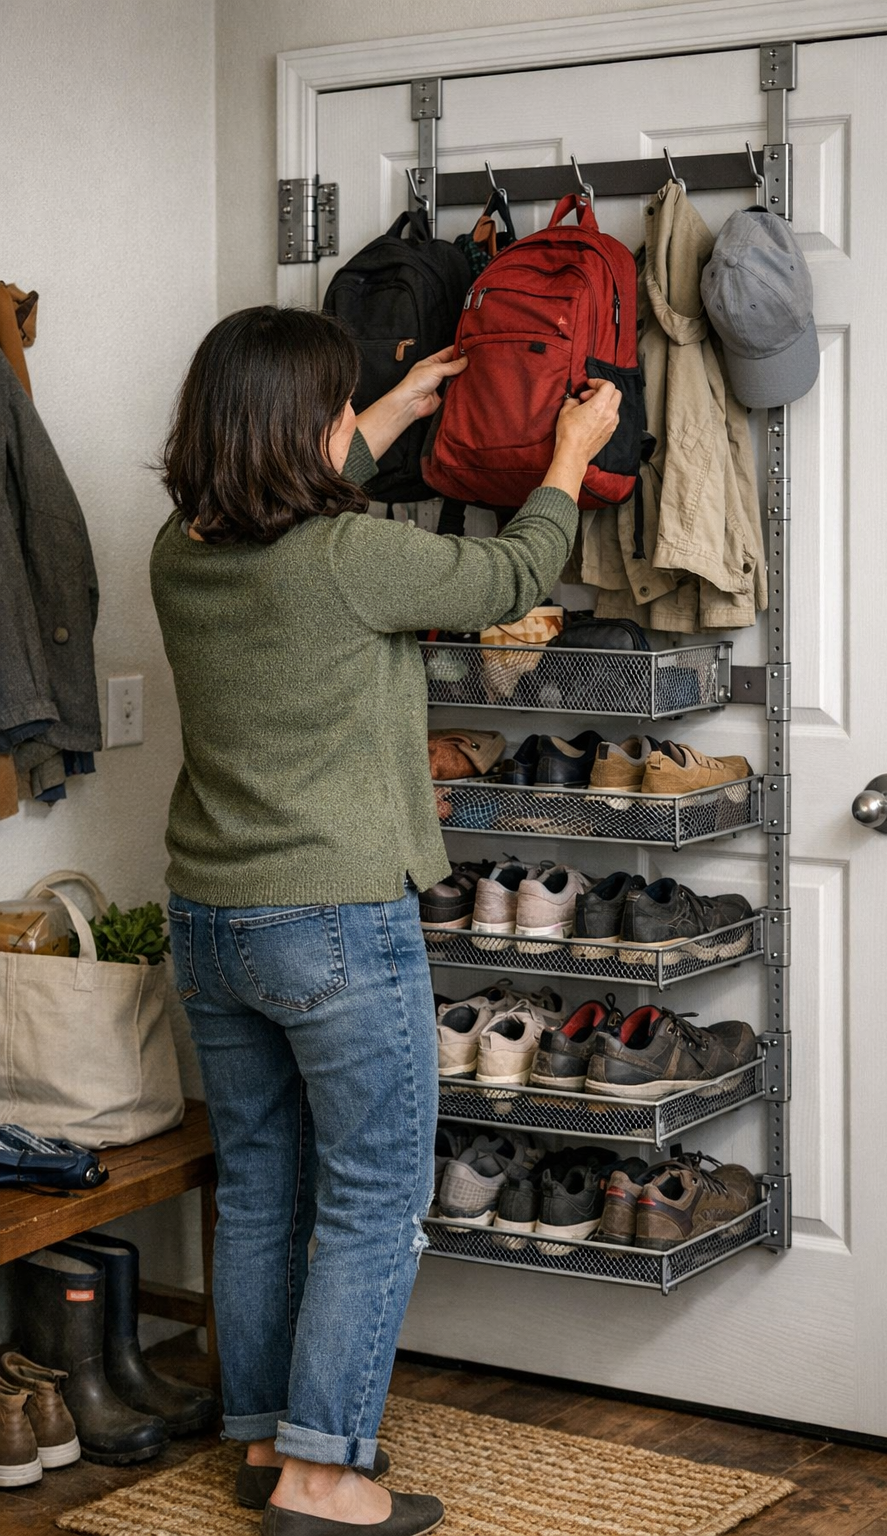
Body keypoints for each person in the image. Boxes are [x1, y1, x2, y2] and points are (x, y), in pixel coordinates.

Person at [150, 304, 620, 1536]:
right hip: (333, 921)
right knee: (372, 1193)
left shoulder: (181, 545)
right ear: (300, 425)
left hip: (211, 916)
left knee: (261, 1187)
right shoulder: (351, 557)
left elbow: (287, 492)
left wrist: (401, 407)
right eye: (335, 405)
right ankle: (323, 1474)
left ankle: (260, 1444)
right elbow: (514, 574)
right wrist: (569, 455)